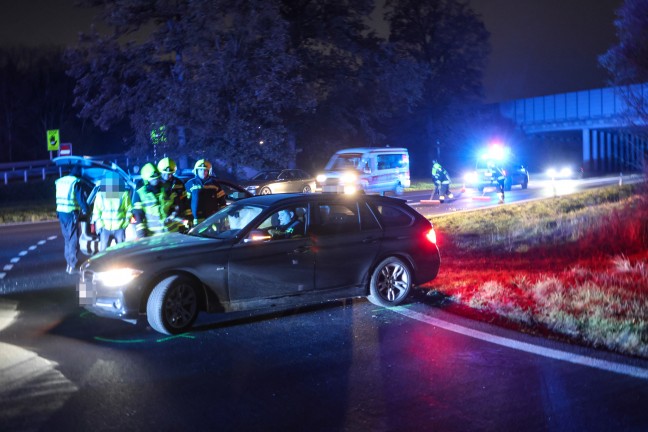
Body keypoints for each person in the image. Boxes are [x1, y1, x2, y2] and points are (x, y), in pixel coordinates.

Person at [55, 166, 89, 274]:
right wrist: (86, 209)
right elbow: (80, 198)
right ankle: (73, 264)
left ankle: (69, 263)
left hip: (61, 213)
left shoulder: (61, 181)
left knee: (67, 239)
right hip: (70, 213)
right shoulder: (75, 182)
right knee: (73, 239)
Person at [92, 171, 132, 251]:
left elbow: (129, 210)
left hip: (119, 227)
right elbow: (96, 212)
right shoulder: (100, 195)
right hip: (105, 228)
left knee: (121, 252)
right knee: (103, 253)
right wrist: (100, 226)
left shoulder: (124, 194)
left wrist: (125, 224)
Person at [132, 163, 169, 238]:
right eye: (153, 178)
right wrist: (141, 233)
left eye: (157, 177)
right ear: (146, 179)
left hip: (169, 232)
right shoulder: (140, 193)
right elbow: (138, 214)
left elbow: (173, 206)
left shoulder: (165, 189)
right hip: (152, 234)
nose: (156, 179)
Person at [185, 159, 226, 225]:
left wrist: (224, 214)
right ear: (196, 170)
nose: (203, 172)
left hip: (212, 218)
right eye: (200, 169)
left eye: (205, 170)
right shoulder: (190, 184)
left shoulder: (214, 184)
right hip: (196, 219)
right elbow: (186, 202)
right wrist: (189, 217)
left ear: (209, 171)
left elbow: (222, 201)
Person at [157, 157, 191, 232]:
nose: (167, 176)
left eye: (169, 174)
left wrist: (189, 216)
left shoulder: (179, 183)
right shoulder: (157, 185)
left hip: (180, 220)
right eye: (164, 174)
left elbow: (185, 201)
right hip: (165, 221)